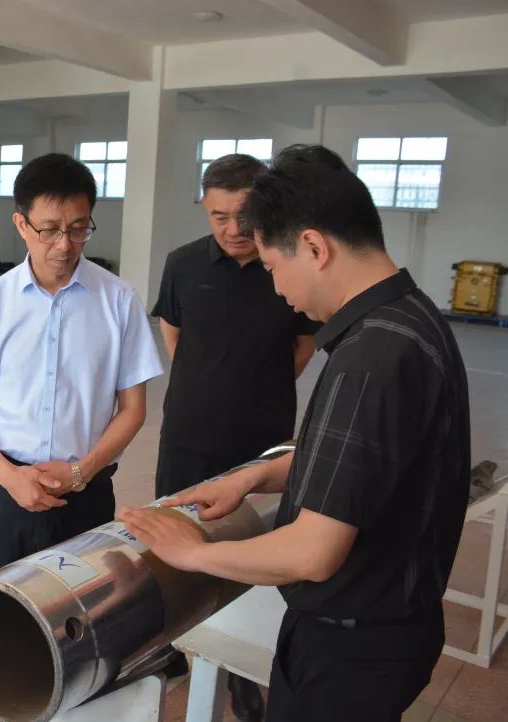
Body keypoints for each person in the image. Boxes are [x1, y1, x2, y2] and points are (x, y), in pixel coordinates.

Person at [120, 144, 470, 722]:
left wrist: (194, 553)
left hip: (352, 648)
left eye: (274, 267)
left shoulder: (371, 358)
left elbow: (312, 552)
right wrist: (255, 476)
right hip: (387, 629)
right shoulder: (409, 319)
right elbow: (362, 458)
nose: (279, 289)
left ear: (313, 246)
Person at [0, 152, 164, 721]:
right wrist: (8, 476)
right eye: (49, 229)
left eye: (79, 228)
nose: (65, 244)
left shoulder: (118, 301)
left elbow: (133, 409)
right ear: (21, 224)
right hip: (1, 493)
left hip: (84, 496)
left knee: (82, 629)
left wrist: (83, 470)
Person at [149, 153, 319, 721]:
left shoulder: (285, 264)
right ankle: (172, 648)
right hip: (188, 432)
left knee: (254, 548)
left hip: (262, 443)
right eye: (218, 216)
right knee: (176, 538)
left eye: (243, 216)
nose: (233, 229)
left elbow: (302, 347)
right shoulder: (183, 263)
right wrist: (210, 386)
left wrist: (254, 387)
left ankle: (243, 670)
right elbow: (174, 334)